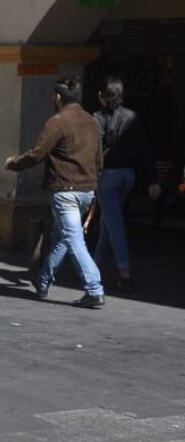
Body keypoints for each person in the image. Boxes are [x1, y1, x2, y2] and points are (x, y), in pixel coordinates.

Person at [5, 76, 105, 308]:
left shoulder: (57, 121)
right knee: (62, 238)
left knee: (73, 239)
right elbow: (99, 161)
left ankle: (94, 287)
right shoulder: (92, 121)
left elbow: (36, 154)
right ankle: (43, 281)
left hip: (65, 190)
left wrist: (13, 163)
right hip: (86, 191)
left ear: (58, 97)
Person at [92, 76, 161, 291]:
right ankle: (94, 266)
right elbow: (144, 149)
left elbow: (94, 151)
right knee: (108, 220)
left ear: (101, 96)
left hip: (108, 177)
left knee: (115, 224)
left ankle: (125, 274)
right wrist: (152, 180)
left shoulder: (97, 118)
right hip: (128, 177)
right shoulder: (132, 117)